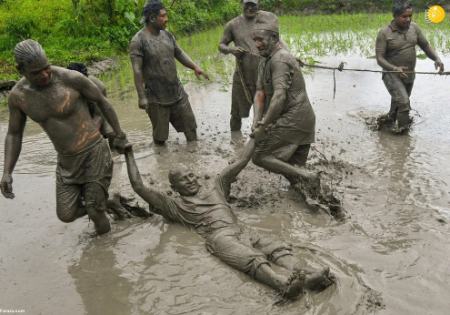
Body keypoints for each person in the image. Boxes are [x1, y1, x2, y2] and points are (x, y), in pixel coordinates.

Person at [123, 143, 334, 300]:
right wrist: (129, 153)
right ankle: (283, 285)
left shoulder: (216, 185)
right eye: (184, 180)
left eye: (191, 175)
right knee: (251, 258)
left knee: (277, 248)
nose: (191, 180)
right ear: (175, 188)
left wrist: (255, 135)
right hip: (218, 237)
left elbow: (241, 161)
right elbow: (139, 187)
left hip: (242, 229)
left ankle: (307, 277)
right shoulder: (173, 205)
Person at [0, 40, 130, 235]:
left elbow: (102, 102)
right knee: (66, 214)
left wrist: (119, 134)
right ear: (21, 70)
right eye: (36, 72)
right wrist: (7, 172)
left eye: (47, 68)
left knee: (95, 211)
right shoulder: (18, 97)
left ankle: (105, 250)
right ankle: (107, 201)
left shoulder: (71, 79)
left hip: (94, 151)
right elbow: (14, 133)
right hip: (67, 162)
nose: (45, 75)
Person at [130, 0, 209, 146]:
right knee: (160, 138)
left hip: (177, 92)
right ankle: (162, 161)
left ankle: (194, 153)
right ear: (152, 18)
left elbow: (178, 53)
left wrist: (195, 67)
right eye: (163, 16)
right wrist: (141, 97)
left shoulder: (167, 35)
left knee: (191, 128)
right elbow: (137, 70)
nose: (167, 19)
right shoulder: (138, 41)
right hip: (156, 97)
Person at [67, 62, 130, 219]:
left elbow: (101, 111)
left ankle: (116, 159)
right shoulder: (65, 88)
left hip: (98, 112)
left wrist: (93, 133)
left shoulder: (96, 86)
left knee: (111, 134)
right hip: (80, 117)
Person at [375, 0, 444, 133]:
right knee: (404, 103)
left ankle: (387, 122)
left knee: (399, 102)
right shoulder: (384, 33)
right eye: (404, 16)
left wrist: (436, 58)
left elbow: (425, 45)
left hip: (409, 74)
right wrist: (395, 69)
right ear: (395, 16)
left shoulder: (414, 28)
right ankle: (403, 135)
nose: (408, 19)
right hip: (391, 73)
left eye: (410, 16)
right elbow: (379, 58)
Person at [219, 0, 279, 132]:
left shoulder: (265, 22)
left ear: (259, 5)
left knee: (266, 113)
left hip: (264, 76)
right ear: (242, 4)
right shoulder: (233, 25)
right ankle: (235, 140)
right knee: (236, 114)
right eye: (247, 5)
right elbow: (221, 45)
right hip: (242, 77)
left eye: (253, 5)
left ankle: (260, 140)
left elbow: (277, 43)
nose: (250, 8)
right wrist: (231, 50)